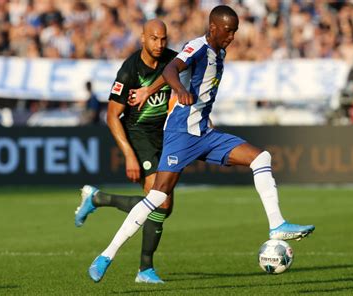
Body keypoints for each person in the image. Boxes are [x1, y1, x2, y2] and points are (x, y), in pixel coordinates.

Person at [87, 5, 315, 283]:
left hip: (204, 132)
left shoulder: (220, 50)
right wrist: (179, 90)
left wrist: (156, 90)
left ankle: (277, 224)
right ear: (213, 28)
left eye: (235, 31)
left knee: (261, 158)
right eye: (228, 31)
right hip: (181, 133)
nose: (232, 36)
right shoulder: (198, 46)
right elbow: (172, 69)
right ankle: (107, 255)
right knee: (159, 198)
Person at [74, 19, 178, 284]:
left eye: (163, 39)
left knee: (164, 206)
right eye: (154, 38)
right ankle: (145, 270)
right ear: (143, 38)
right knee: (159, 200)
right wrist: (130, 154)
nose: (160, 44)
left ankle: (98, 199)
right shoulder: (130, 70)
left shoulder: (173, 61)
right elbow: (112, 116)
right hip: (139, 135)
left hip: (165, 135)